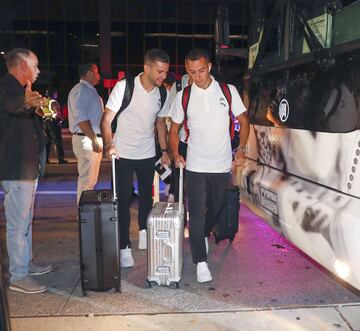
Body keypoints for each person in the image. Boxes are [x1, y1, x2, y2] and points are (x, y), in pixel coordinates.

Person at [169, 48, 250, 283]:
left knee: (216, 208)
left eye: (202, 70)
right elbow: (174, 129)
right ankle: (200, 262)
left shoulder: (227, 91)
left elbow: (244, 121)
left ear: (210, 67)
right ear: (187, 71)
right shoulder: (183, 96)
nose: (198, 76)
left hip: (222, 164)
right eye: (192, 72)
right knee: (195, 214)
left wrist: (242, 148)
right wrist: (175, 153)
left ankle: (203, 233)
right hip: (195, 163)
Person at [101, 48, 171, 267]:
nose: (163, 76)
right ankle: (124, 246)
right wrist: (109, 144)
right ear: (146, 68)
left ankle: (143, 231)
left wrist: (165, 150)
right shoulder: (125, 87)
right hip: (122, 153)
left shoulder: (162, 93)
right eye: (159, 71)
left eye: (165, 72)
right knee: (122, 200)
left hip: (147, 153)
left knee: (147, 199)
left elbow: (160, 123)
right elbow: (106, 120)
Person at [0, 48, 53, 294]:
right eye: (35, 66)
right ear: (22, 66)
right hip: (16, 167)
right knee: (17, 223)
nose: (38, 71)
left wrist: (37, 107)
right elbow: (11, 106)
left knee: (25, 222)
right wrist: (27, 101)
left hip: (26, 167)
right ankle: (19, 275)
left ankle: (26, 264)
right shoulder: (7, 88)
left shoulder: (20, 91)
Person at [68, 63, 104, 204]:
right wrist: (93, 138)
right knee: (87, 180)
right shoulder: (81, 90)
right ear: (88, 73)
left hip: (90, 138)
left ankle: (86, 214)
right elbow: (80, 118)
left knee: (91, 180)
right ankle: (83, 215)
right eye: (96, 72)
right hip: (87, 139)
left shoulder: (89, 90)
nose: (99, 75)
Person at [43, 89, 68, 164]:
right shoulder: (53, 102)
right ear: (53, 94)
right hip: (53, 122)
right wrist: (61, 120)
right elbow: (58, 113)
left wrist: (45, 116)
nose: (56, 95)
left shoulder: (44, 102)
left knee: (47, 142)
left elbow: (37, 110)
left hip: (45, 122)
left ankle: (45, 159)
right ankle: (60, 159)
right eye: (56, 93)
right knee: (57, 141)